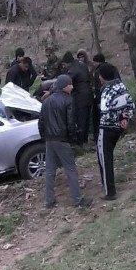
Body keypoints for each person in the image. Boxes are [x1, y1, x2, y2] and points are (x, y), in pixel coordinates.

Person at [38, 74, 92, 209]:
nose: (72, 87)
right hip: (62, 139)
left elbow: (41, 122)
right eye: (70, 84)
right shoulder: (68, 100)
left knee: (50, 170)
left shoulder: (46, 101)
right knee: (70, 169)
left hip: (49, 140)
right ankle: (78, 200)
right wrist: (72, 139)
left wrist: (44, 136)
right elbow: (70, 122)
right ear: (64, 86)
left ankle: (49, 201)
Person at [97, 64, 135, 201]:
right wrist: (124, 118)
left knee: (104, 159)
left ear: (103, 76)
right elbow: (131, 105)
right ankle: (109, 187)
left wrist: (115, 119)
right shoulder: (122, 86)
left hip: (107, 128)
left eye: (100, 75)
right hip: (119, 128)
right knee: (108, 156)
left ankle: (109, 191)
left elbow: (105, 111)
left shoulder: (106, 91)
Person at [60, 51, 93, 146]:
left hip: (80, 97)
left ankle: (80, 143)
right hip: (88, 95)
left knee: (80, 120)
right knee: (86, 119)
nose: (63, 67)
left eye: (64, 65)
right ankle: (85, 140)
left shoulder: (73, 70)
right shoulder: (82, 65)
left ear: (68, 62)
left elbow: (65, 82)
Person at [91, 54, 121, 141]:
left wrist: (98, 101)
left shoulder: (99, 71)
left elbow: (98, 88)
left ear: (97, 62)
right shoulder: (113, 68)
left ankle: (100, 137)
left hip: (103, 98)